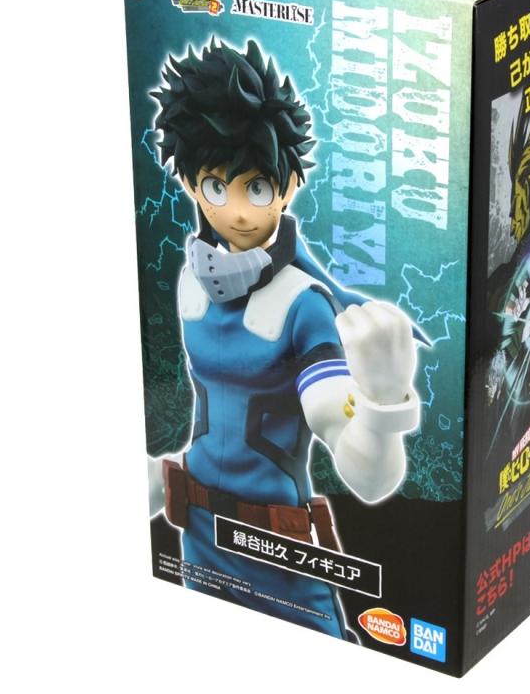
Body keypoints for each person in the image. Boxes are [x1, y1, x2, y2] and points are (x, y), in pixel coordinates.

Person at [145, 37, 421, 639]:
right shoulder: (189, 284)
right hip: (197, 540)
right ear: (190, 184)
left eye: (258, 188)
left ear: (289, 185)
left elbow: (364, 472)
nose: (238, 211)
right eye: (216, 187)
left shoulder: (303, 304)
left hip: (282, 554)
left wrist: (382, 402)